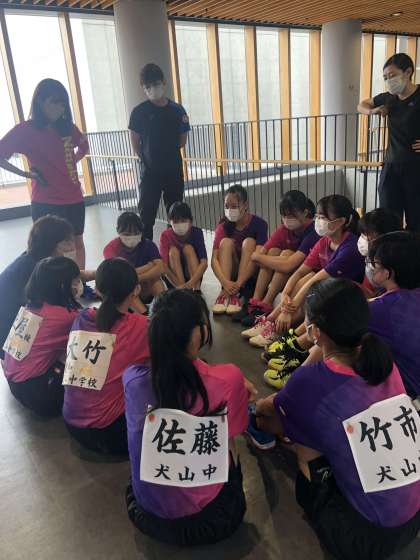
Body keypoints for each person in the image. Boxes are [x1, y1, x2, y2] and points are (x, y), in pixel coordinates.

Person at [253, 278, 420, 560]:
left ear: (315, 331)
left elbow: (270, 415)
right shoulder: (383, 361)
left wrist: (256, 410)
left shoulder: (312, 381)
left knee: (300, 436)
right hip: (414, 520)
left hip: (363, 539)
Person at [123, 289, 250, 546]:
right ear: (196, 335)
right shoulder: (228, 378)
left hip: (146, 516)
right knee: (229, 440)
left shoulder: (132, 378)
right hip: (213, 520)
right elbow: (232, 436)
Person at [243, 194, 364, 352]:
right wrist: (285, 294)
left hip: (347, 297)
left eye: (323, 217)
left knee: (310, 283)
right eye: (317, 216)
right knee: (305, 278)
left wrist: (286, 310)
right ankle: (271, 321)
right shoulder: (324, 241)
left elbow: (316, 279)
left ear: (341, 221)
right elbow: (300, 271)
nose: (318, 221)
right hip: (327, 289)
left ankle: (279, 330)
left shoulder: (349, 248)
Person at [63, 258, 149, 455]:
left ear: (97, 290)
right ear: (136, 290)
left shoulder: (82, 318)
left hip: (73, 425)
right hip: (112, 435)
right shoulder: (140, 326)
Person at [0, 79, 89, 267]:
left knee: (76, 243)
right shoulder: (25, 130)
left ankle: (78, 279)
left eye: (62, 103)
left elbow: (84, 146)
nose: (59, 107)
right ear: (40, 101)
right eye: (54, 102)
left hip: (74, 198)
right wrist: (25, 174)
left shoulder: (67, 127)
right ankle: (49, 283)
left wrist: (71, 161)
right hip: (46, 200)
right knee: (45, 250)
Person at [2, 257, 81, 417]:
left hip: (15, 383)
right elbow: (95, 323)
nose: (78, 285)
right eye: (75, 281)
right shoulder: (65, 317)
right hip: (39, 395)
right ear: (62, 286)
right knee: (82, 347)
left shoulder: (31, 306)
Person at [236, 190, 319, 326]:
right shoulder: (284, 229)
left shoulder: (313, 232)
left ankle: (266, 304)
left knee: (286, 254)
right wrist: (259, 256)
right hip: (289, 268)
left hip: (304, 272)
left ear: (305, 212)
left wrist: (258, 257)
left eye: (292, 215)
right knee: (273, 251)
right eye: (284, 215)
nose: (287, 219)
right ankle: (256, 302)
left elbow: (289, 264)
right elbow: (262, 253)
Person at [357, 53, 420, 232]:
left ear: (408, 72)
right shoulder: (389, 98)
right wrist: (373, 111)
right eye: (385, 77)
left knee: (416, 219)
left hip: (415, 167)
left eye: (392, 75)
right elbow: (361, 105)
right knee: (388, 218)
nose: (389, 80)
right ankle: (390, 249)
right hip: (391, 166)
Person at [129, 63, 191, 240]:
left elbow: (182, 141)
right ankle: (146, 251)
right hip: (150, 172)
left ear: (164, 83)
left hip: (173, 170)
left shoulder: (178, 110)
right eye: (147, 87)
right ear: (143, 88)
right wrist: (146, 159)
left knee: (176, 214)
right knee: (146, 216)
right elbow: (135, 142)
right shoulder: (139, 112)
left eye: (155, 84)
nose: (152, 89)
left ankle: (173, 249)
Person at [0, 215, 75, 359]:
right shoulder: (36, 271)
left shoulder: (31, 259)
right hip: (12, 341)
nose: (72, 246)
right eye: (67, 242)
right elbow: (58, 309)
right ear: (51, 245)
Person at [367, 231, 420, 398]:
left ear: (388, 273)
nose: (370, 267)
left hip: (411, 398)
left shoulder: (381, 310)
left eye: (374, 263)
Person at [211, 185, 268, 316]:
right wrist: (225, 282)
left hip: (250, 273)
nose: (230, 210)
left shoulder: (260, 224)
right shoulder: (223, 226)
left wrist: (238, 284)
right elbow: (214, 260)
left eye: (234, 206)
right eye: (226, 206)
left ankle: (236, 292)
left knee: (249, 242)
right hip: (231, 274)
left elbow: (258, 256)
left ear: (245, 205)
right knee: (225, 242)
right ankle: (226, 293)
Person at [103, 211, 165, 307]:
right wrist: (149, 266)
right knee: (127, 286)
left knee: (156, 282)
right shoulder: (111, 249)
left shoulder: (148, 244)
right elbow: (121, 276)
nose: (131, 237)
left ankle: (164, 308)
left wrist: (138, 278)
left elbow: (161, 268)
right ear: (118, 231)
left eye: (136, 233)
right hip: (125, 292)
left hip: (146, 286)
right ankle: (143, 313)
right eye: (127, 234)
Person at [159, 201, 208, 290]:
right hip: (173, 279)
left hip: (194, 278)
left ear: (191, 221)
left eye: (183, 221)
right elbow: (164, 267)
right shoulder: (165, 236)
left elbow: (204, 262)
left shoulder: (197, 233)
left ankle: (196, 290)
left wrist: (189, 284)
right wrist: (181, 287)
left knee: (188, 248)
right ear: (170, 222)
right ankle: (182, 292)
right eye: (176, 221)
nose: (179, 224)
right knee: (173, 251)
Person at [357, 208, 402, 297]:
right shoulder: (370, 259)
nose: (362, 239)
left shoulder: (397, 267)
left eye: (368, 236)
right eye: (362, 234)